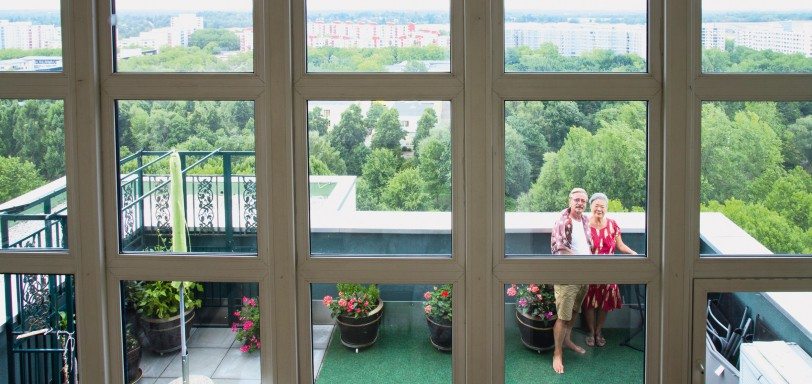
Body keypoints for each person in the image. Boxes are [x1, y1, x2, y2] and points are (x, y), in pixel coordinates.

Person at [583, 192, 637, 348]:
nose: (599, 209)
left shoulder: (613, 224)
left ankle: (599, 332)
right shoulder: (584, 223)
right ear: (591, 206)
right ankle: (590, 332)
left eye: (602, 206)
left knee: (604, 303)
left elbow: (620, 246)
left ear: (606, 208)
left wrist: (634, 254)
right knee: (589, 302)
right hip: (589, 270)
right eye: (596, 205)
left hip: (608, 270)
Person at [550, 187, 592, 374]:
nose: (580, 203)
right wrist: (582, 261)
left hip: (584, 274)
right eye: (577, 200)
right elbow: (560, 249)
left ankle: (567, 341)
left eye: (583, 200)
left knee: (575, 311)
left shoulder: (584, 220)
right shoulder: (563, 221)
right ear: (570, 201)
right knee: (563, 315)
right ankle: (557, 353)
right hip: (567, 275)